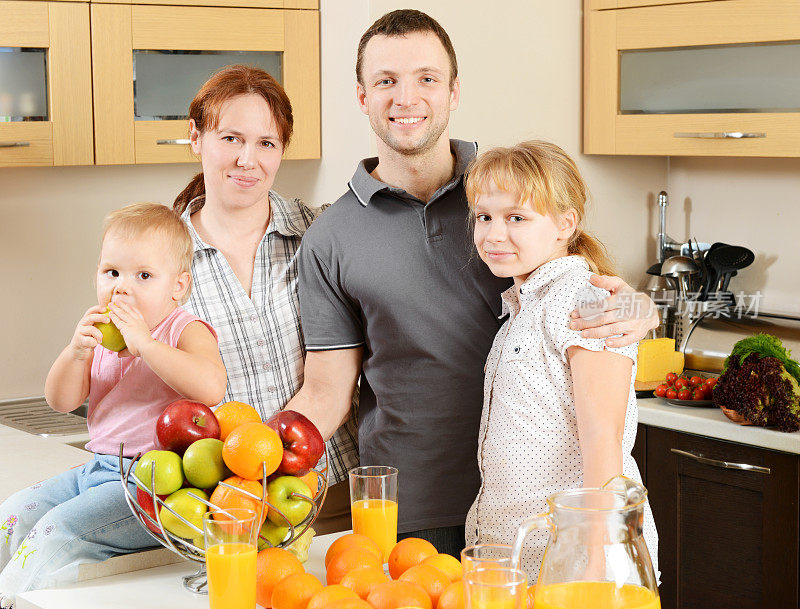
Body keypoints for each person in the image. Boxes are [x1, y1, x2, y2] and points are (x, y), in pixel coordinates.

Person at [288, 9, 659, 558]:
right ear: (362, 95)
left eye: (427, 79)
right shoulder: (330, 238)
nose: (406, 98)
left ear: (453, 91)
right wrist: (263, 462)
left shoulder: (506, 192)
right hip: (409, 511)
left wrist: (638, 305)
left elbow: (578, 278)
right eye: (386, 80)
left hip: (542, 514)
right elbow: (325, 392)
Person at [0, 203, 225, 606]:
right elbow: (60, 400)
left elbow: (211, 387)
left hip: (155, 485)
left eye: (143, 276)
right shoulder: (102, 334)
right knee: (12, 514)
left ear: (178, 286)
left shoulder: (183, 329)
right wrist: (75, 353)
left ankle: (10, 599)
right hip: (97, 469)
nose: (122, 286)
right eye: (112, 272)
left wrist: (145, 344)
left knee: (57, 532)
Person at [171, 65, 358, 534]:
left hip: (331, 491)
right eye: (231, 138)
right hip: (227, 504)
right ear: (196, 137)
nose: (247, 159)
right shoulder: (162, 258)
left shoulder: (321, 232)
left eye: (266, 143)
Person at [462, 140, 658, 578]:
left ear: (564, 223)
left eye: (517, 218)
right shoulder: (524, 306)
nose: (494, 234)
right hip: (524, 554)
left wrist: (598, 562)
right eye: (485, 216)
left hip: (574, 557)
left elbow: (603, 442)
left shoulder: (581, 299)